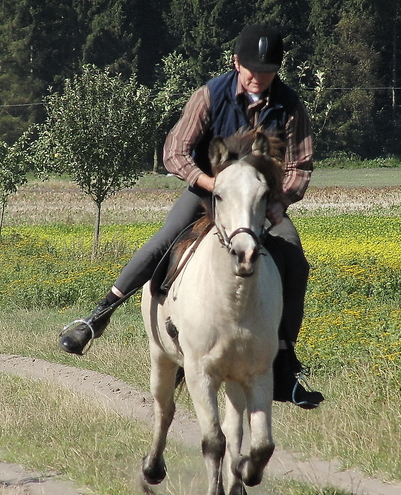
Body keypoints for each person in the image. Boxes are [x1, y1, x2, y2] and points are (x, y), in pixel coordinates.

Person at [59, 23, 324, 409]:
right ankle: (97, 317)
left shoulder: (289, 104)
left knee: (295, 260)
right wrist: (207, 182)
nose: (259, 79)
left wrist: (279, 202)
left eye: (267, 72)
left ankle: (285, 362)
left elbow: (300, 164)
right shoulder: (210, 95)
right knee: (165, 241)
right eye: (252, 71)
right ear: (236, 63)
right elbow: (175, 150)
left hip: (259, 203)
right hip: (206, 193)